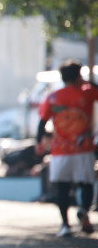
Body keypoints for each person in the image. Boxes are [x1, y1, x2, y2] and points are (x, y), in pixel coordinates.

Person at [38, 60, 98, 237]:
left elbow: (42, 122)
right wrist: (87, 82)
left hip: (60, 150)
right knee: (86, 183)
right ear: (79, 76)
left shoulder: (53, 97)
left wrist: (39, 141)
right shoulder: (87, 93)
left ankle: (65, 225)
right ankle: (84, 210)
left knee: (61, 186)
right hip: (83, 148)